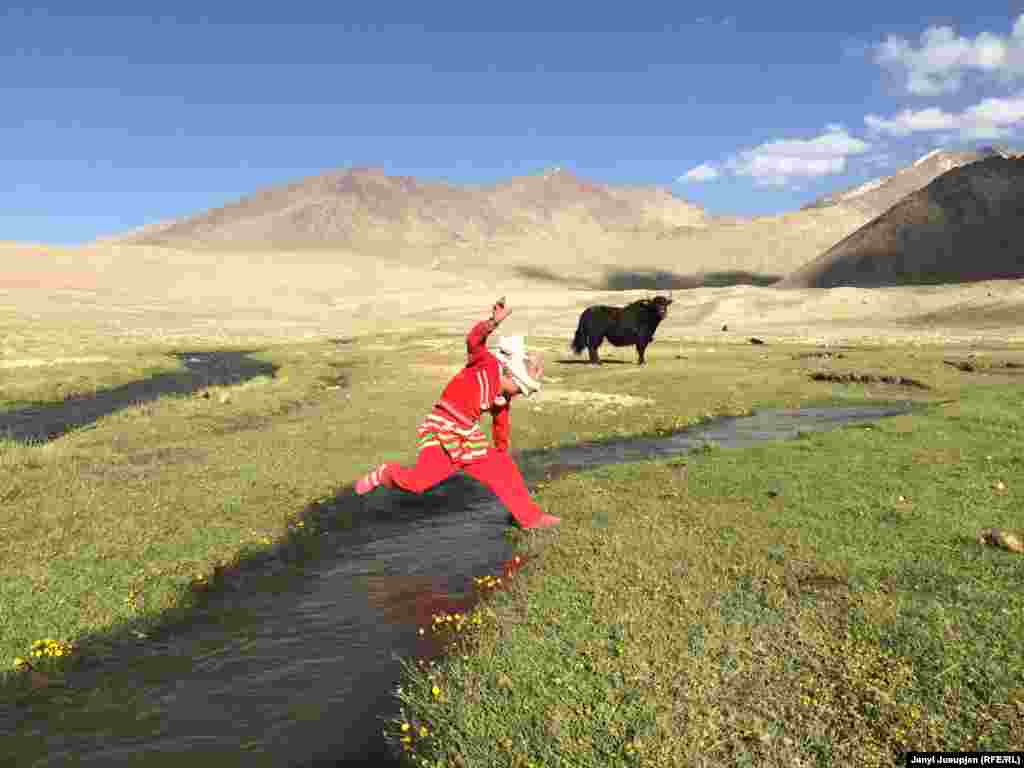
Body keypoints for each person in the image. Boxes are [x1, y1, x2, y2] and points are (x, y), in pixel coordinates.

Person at [355, 298, 561, 530]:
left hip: (466, 437)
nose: (520, 394)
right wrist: (492, 322)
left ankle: (529, 518)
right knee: (418, 483)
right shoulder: (486, 364)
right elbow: (474, 341)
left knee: (504, 469)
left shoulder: (503, 397)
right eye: (521, 389)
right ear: (512, 375)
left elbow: (500, 423)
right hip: (441, 430)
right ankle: (386, 473)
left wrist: (502, 452)